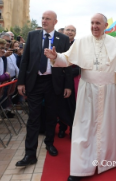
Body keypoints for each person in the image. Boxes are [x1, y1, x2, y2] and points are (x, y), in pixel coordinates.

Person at [44, 13, 116, 181]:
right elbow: (67, 59)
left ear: (104, 25)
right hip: (88, 90)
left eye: (97, 23)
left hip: (108, 91)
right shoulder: (81, 42)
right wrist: (55, 57)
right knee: (85, 127)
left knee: (106, 127)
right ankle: (81, 167)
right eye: (92, 23)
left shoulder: (115, 43)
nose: (94, 26)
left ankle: (105, 160)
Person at [16, 10, 72, 167]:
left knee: (51, 116)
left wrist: (68, 85)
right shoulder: (33, 35)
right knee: (33, 117)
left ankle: (49, 143)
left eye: (48, 19)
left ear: (55, 21)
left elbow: (66, 63)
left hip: (53, 82)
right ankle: (30, 153)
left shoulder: (63, 39)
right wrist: (21, 82)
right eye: (43, 18)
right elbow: (25, 60)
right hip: (35, 82)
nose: (44, 21)